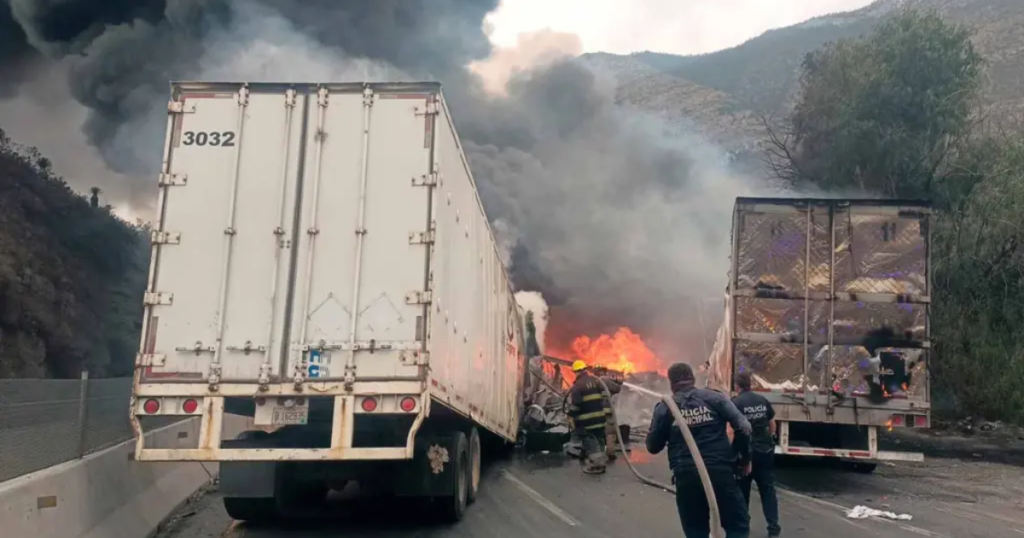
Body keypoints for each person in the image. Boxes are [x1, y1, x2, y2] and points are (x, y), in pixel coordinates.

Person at [647, 362, 753, 538]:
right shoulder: (715, 398)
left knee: (695, 530)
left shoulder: (665, 408)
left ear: (671, 384)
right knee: (737, 525)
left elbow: (652, 447)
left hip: (686, 475)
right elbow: (744, 427)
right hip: (720, 472)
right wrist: (742, 459)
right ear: (693, 379)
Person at [732, 372, 781, 537]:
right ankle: (773, 529)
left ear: (737, 386)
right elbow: (772, 424)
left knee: (742, 490)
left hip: (747, 454)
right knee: (767, 491)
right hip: (765, 451)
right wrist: (768, 439)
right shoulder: (762, 400)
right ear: (750, 384)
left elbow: (730, 430)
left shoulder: (735, 403)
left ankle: (744, 526)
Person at [566, 360, 621, 474]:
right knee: (600, 441)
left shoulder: (577, 386)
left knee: (590, 443)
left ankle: (596, 466)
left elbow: (576, 405)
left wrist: (570, 415)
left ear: (576, 372)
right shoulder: (596, 381)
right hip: (600, 419)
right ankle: (602, 462)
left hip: (587, 421)